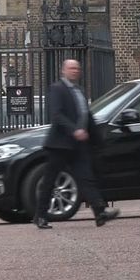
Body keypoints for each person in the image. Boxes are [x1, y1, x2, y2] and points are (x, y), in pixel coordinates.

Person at [35, 59, 120, 229]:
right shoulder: (57, 89)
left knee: (86, 178)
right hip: (60, 144)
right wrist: (74, 130)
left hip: (79, 144)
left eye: (77, 68)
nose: (75, 71)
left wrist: (97, 139)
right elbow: (57, 115)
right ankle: (40, 216)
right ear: (63, 71)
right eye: (71, 68)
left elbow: (86, 115)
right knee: (50, 180)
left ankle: (99, 212)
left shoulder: (80, 91)